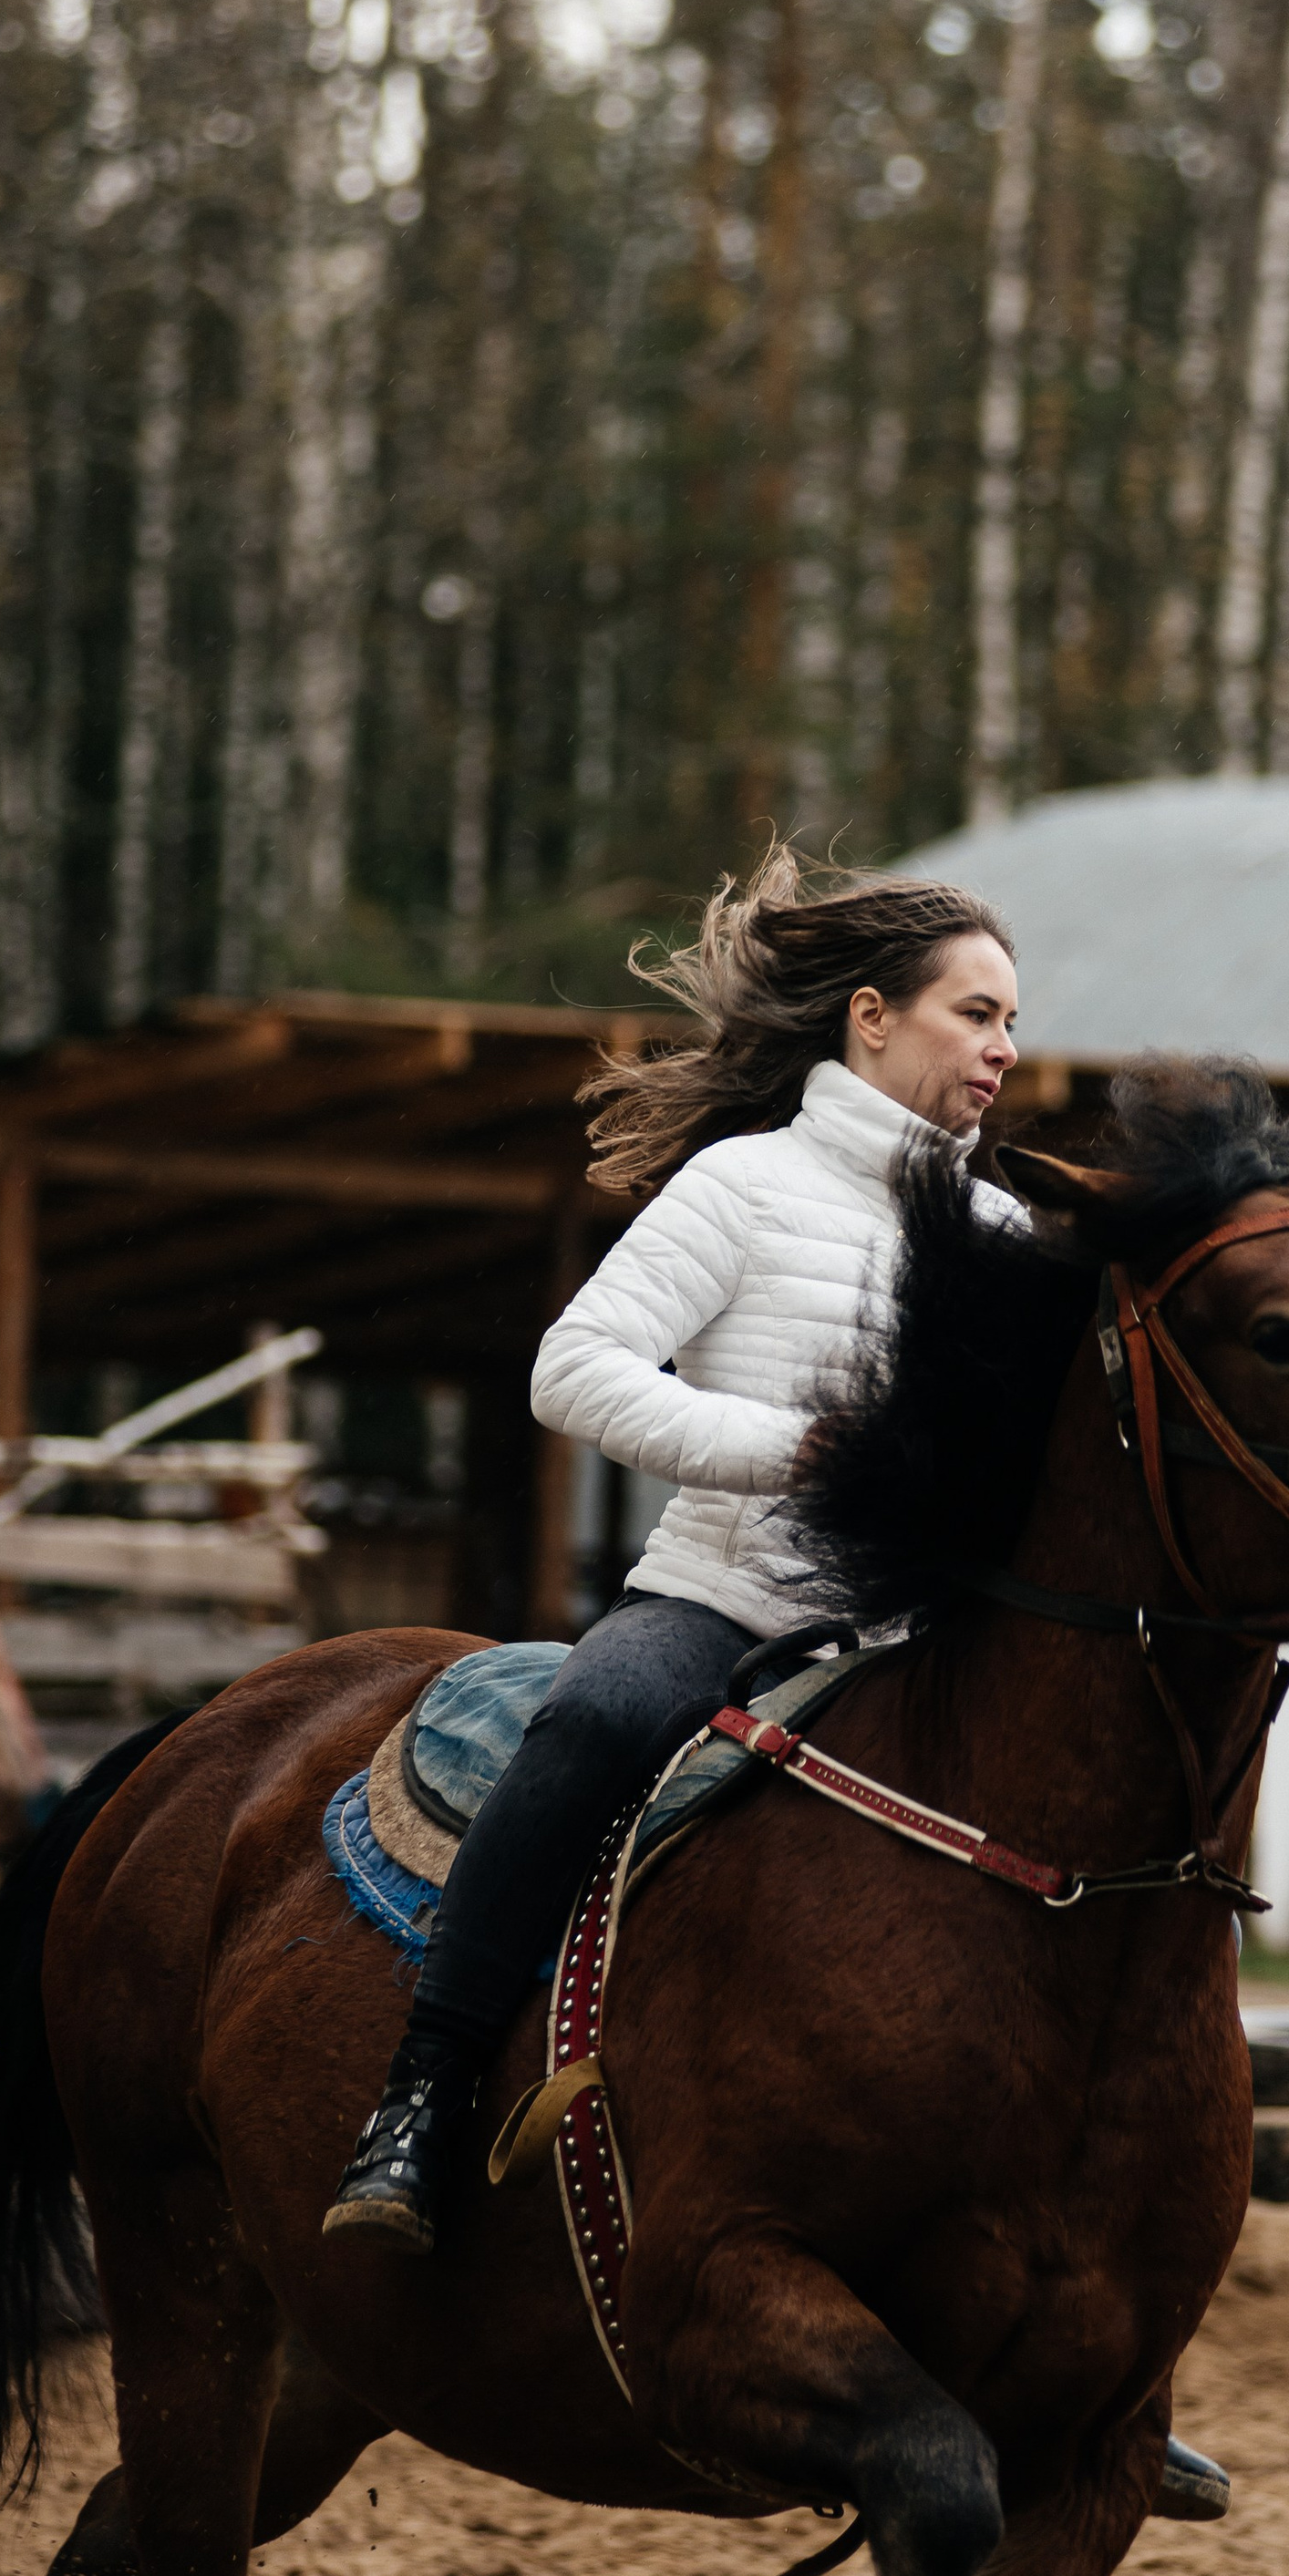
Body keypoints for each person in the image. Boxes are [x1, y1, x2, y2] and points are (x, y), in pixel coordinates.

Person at [323, 846, 1022, 2251]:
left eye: (1013, 1022)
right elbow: (572, 1374)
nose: (1006, 1049)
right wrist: (793, 1448)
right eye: (978, 1014)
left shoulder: (1008, 1235)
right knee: (595, 1713)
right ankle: (424, 2091)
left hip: (925, 1638)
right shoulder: (740, 1188)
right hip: (724, 1604)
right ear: (870, 1017)